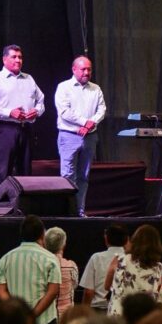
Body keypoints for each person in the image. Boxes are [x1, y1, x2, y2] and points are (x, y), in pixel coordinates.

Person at [0, 44, 45, 183]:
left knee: (26, 171)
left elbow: (41, 100)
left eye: (20, 57)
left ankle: (24, 198)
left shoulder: (29, 79)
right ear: (4, 59)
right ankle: (4, 198)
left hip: (26, 128)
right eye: (14, 57)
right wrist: (9, 112)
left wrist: (37, 111)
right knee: (4, 171)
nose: (18, 60)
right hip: (5, 129)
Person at [54, 55, 106, 216]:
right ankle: (66, 211)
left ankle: (79, 211)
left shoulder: (96, 89)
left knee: (84, 176)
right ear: (74, 69)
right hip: (69, 136)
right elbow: (64, 112)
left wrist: (91, 123)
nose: (86, 72)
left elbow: (102, 109)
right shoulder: (64, 87)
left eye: (89, 69)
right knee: (67, 176)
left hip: (90, 137)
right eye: (83, 69)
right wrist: (85, 122)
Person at [0, 215, 61, 324]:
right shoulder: (50, 259)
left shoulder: (5, 258)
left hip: (16, 322)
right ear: (42, 235)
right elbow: (53, 291)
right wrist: (32, 315)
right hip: (44, 322)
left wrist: (17, 312)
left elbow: (0, 290)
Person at [105, 224, 162, 317]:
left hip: (119, 315)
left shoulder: (121, 260)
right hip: (144, 317)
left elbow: (107, 286)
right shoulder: (159, 268)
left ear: (134, 240)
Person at [79, 224, 129, 313]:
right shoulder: (131, 260)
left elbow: (88, 292)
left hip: (98, 310)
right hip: (123, 310)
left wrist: (84, 313)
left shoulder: (96, 258)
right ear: (127, 240)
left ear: (106, 238)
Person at [44, 226, 77, 319]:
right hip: (67, 317)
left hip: (46, 316)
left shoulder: (41, 265)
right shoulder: (71, 266)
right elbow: (74, 286)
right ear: (63, 245)